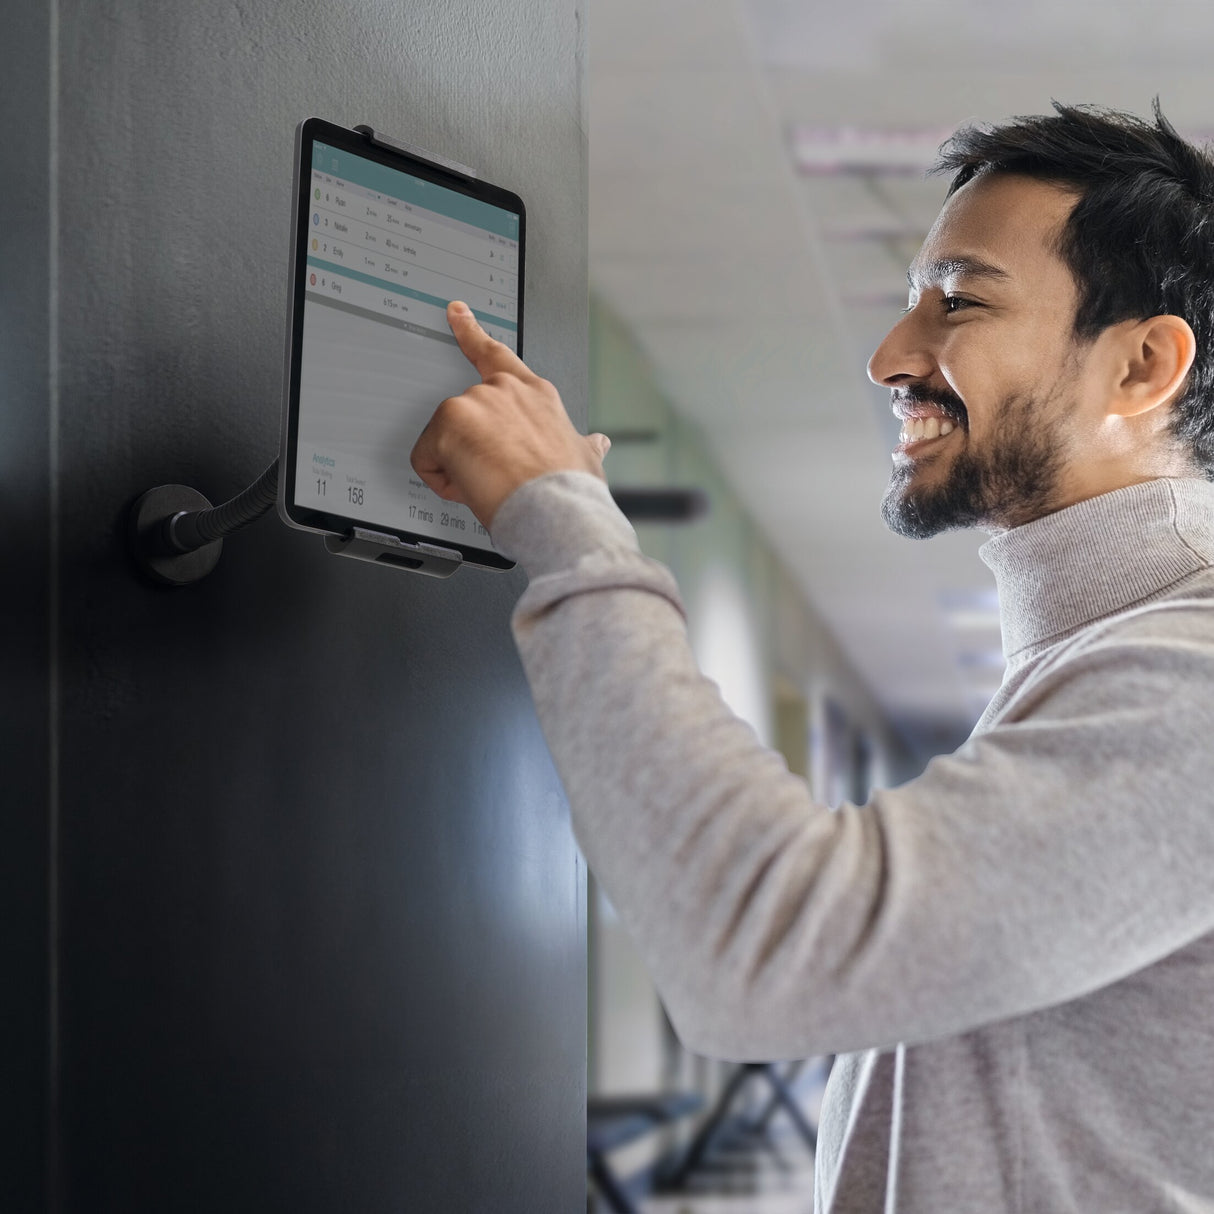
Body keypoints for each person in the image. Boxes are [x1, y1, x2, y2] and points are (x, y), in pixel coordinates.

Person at [412, 102, 1214, 1212]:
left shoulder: (1193, 670)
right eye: (906, 304)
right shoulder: (1101, 648)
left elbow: (770, 952)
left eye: (958, 301)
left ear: (1138, 363)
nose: (892, 355)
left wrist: (565, 525)